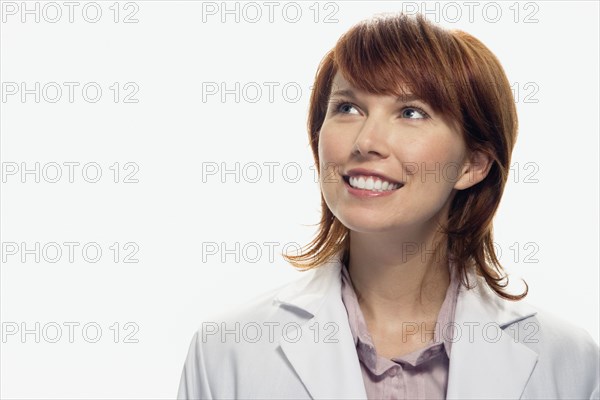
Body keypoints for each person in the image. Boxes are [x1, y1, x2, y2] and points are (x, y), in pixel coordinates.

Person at [177, 12, 599, 400]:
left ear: (473, 164)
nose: (365, 142)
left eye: (411, 112)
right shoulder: (226, 350)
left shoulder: (568, 362)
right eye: (347, 107)